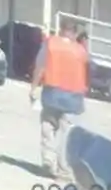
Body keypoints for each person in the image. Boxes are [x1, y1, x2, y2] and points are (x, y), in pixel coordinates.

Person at [30, 16, 89, 179]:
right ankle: (63, 168)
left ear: (61, 29)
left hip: (52, 93)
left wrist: (33, 87)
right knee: (66, 134)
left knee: (48, 127)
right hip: (73, 98)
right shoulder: (80, 50)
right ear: (75, 32)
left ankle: (48, 160)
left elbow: (40, 66)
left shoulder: (50, 43)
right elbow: (89, 66)